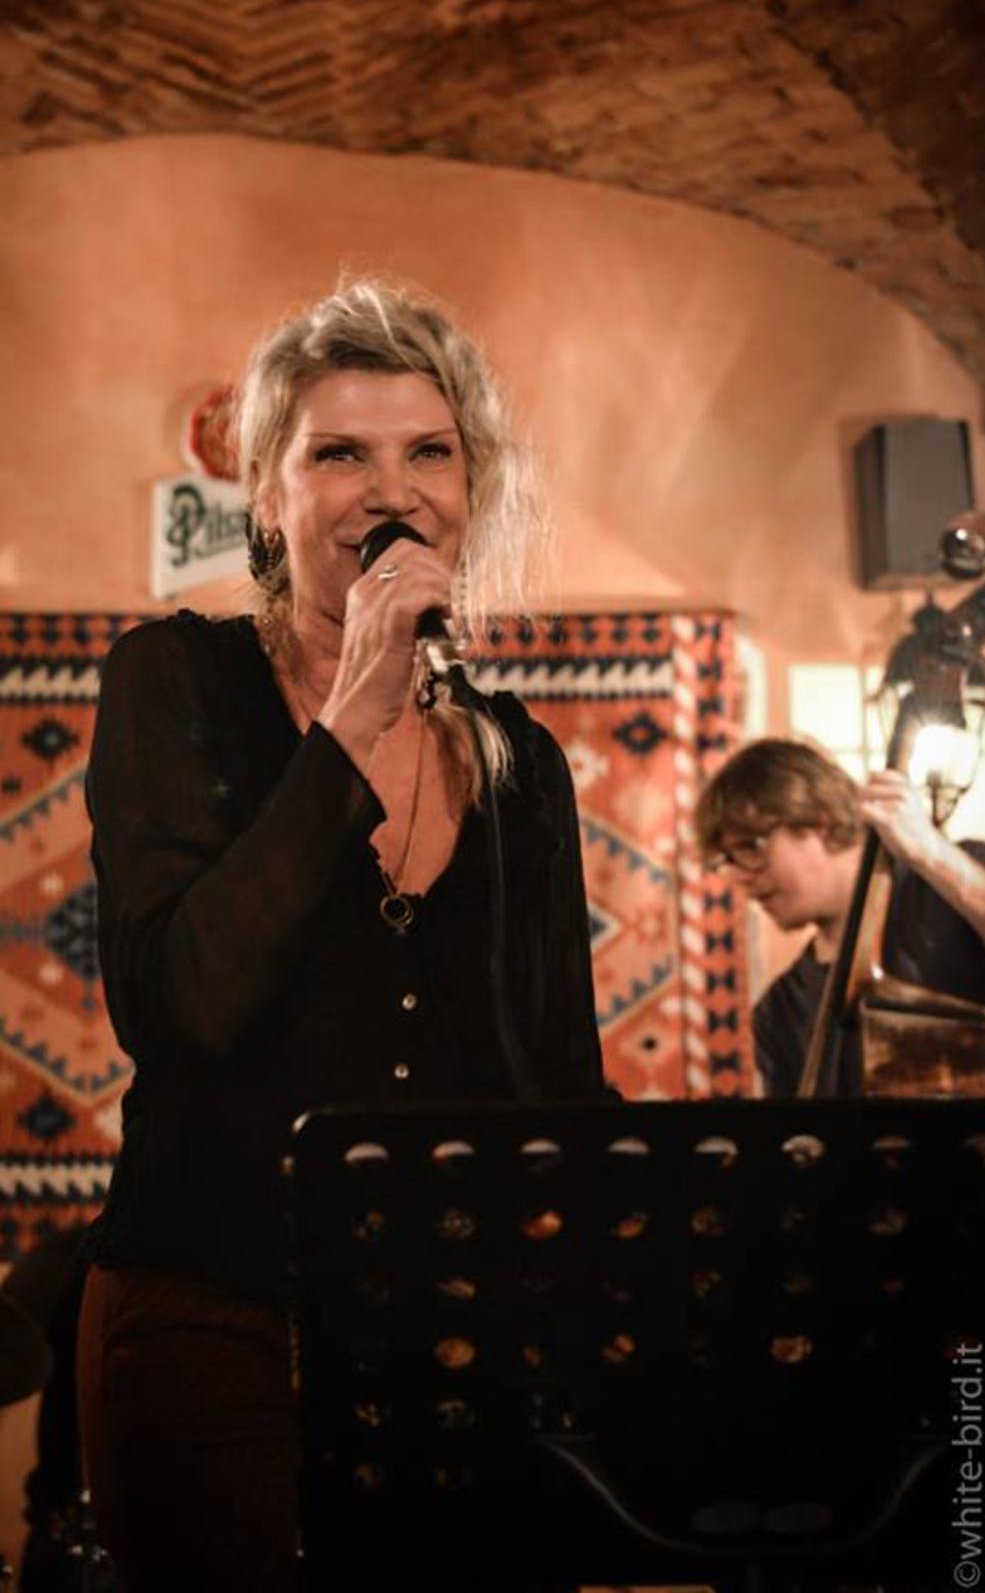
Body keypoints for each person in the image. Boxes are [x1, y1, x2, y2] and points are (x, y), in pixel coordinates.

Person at [76, 279, 609, 1590]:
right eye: (339, 455)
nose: (394, 491)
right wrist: (356, 711)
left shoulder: (521, 764)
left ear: (471, 486)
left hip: (461, 1338)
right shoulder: (172, 683)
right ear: (266, 493)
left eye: (429, 451)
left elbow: (561, 1081)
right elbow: (185, 1006)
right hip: (214, 1314)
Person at [695, 737, 985, 1096]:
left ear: (816, 818)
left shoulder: (953, 883)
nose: (738, 876)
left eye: (749, 847)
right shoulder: (779, 1012)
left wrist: (932, 854)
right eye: (726, 862)